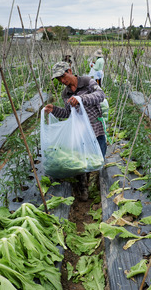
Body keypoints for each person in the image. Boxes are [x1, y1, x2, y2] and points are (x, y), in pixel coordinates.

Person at [45, 61, 107, 201]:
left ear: (70, 71)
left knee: (98, 158)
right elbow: (67, 113)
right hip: (80, 131)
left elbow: (100, 95)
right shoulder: (65, 93)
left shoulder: (87, 82)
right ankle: (83, 187)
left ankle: (94, 184)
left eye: (63, 76)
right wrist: (53, 109)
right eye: (59, 79)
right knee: (80, 160)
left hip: (95, 129)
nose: (62, 80)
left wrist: (81, 99)